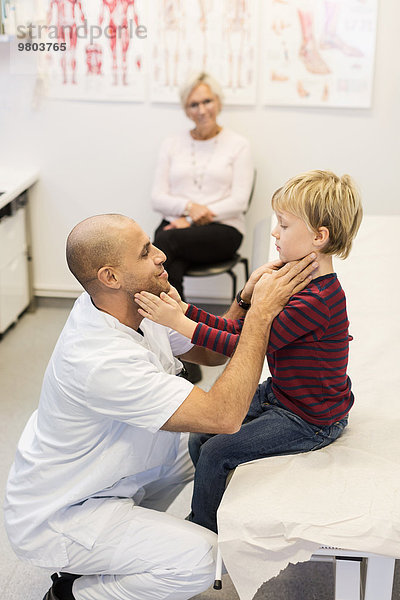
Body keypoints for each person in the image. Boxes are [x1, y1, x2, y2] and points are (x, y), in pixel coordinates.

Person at [4, 214, 317, 600]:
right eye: (145, 252)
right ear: (110, 277)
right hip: (64, 512)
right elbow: (224, 417)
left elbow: (205, 351)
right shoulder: (100, 359)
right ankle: (73, 593)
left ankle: (116, 554)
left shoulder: (133, 305)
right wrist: (262, 318)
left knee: (203, 453)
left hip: (111, 470)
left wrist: (244, 303)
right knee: (203, 559)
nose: (161, 254)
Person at [134, 170, 363, 533]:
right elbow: (244, 328)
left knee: (215, 451)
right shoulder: (293, 283)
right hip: (283, 395)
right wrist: (185, 310)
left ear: (319, 237)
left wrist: (180, 323)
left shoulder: (318, 300)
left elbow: (246, 345)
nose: (275, 232)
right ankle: (217, 506)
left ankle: (203, 532)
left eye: (284, 225)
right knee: (201, 433)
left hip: (311, 418)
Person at [151, 71, 254, 300]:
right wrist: (188, 206)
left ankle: (170, 323)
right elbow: (157, 198)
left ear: (218, 102)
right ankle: (181, 327)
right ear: (186, 109)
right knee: (172, 262)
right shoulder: (172, 143)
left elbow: (239, 202)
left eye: (207, 101)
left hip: (223, 229)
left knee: (163, 245)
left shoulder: (239, 145)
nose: (201, 110)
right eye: (193, 104)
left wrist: (188, 219)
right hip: (176, 227)